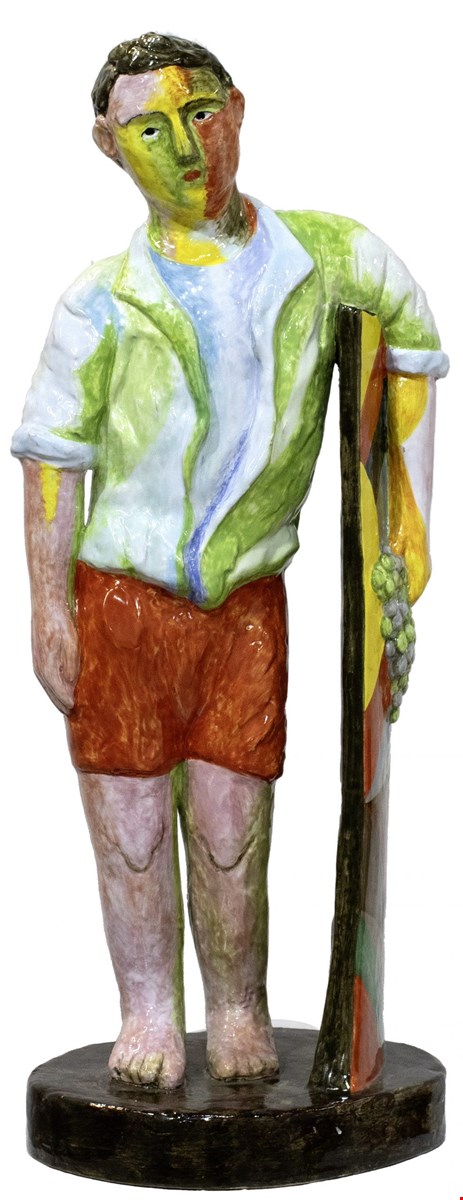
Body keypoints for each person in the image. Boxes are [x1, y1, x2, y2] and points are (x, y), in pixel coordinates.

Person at [12, 31, 448, 1090]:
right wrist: (49, 608)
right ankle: (148, 1011)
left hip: (245, 603)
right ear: (109, 147)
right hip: (123, 601)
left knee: (230, 824)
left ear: (238, 110)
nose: (184, 148)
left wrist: (401, 529)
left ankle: (238, 1007)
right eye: (149, 129)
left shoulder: (331, 258)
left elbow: (413, 349)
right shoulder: (99, 300)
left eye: (199, 114)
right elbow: (53, 460)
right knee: (128, 829)